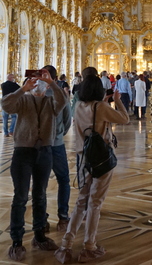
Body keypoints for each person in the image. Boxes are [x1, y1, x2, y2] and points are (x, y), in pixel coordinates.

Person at [54, 76, 129, 263]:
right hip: (101, 160)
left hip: (83, 160)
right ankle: (89, 246)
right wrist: (117, 100)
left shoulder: (77, 105)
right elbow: (125, 119)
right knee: (95, 203)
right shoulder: (102, 108)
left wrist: (102, 104)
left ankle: (66, 243)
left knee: (81, 202)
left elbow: (90, 118)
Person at [1, 67, 68, 260]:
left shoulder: (51, 101)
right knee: (20, 197)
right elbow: (6, 105)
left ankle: (39, 235)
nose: (38, 84)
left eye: (41, 82)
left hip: (44, 151)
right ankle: (16, 241)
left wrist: (52, 83)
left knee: (40, 194)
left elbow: (63, 102)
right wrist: (22, 89)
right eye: (36, 81)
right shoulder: (22, 100)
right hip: (23, 152)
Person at [44, 65, 72, 232]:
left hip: (39, 145)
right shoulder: (61, 95)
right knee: (63, 180)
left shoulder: (33, 94)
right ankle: (63, 216)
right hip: (56, 144)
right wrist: (59, 134)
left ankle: (42, 219)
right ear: (55, 79)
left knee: (41, 183)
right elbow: (68, 119)